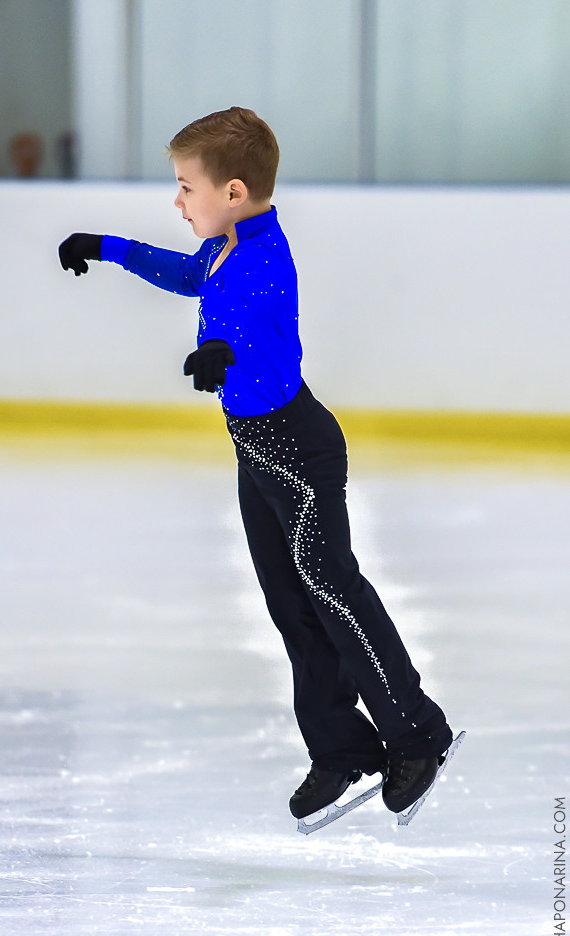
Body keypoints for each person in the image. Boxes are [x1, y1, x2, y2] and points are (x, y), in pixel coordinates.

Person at [57, 107, 454, 820]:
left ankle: (417, 732)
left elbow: (246, 328)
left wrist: (219, 355)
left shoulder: (262, 261)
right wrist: (109, 246)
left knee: (334, 594)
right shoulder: (224, 246)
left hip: (296, 449)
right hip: (258, 453)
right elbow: (188, 276)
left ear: (233, 192)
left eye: (185, 187)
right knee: (291, 606)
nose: (176, 201)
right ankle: (343, 748)